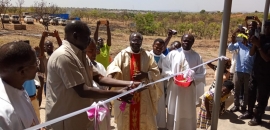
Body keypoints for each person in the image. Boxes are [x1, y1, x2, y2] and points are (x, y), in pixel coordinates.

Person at [45, 21, 140, 130]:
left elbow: (99, 78)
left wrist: (131, 83)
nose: (89, 40)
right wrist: (117, 94)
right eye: (87, 37)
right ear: (75, 36)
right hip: (65, 121)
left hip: (80, 118)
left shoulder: (81, 55)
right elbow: (82, 90)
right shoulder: (64, 56)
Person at [107, 32, 163, 130]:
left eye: (138, 40)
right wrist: (109, 79)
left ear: (142, 42)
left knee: (145, 119)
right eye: (134, 40)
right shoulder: (122, 54)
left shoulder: (147, 55)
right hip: (126, 93)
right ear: (129, 41)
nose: (136, 43)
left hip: (144, 94)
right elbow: (113, 67)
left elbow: (156, 71)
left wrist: (145, 74)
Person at [162, 34, 206, 130]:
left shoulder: (197, 56)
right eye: (185, 40)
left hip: (188, 89)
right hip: (174, 88)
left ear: (193, 42)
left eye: (189, 41)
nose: (186, 42)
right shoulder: (173, 54)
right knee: (174, 107)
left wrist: (193, 76)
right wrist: (172, 75)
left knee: (187, 110)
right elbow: (165, 67)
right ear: (181, 40)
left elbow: (202, 73)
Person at [0, 41, 39, 129]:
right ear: (23, 72)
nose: (38, 67)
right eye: (35, 63)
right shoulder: (3, 113)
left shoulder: (19, 89)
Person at [248, 20, 270, 126]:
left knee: (262, 96)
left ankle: (258, 117)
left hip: (266, 74)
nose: (266, 29)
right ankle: (249, 112)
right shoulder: (261, 38)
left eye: (268, 27)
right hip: (255, 71)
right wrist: (254, 44)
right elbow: (251, 53)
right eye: (265, 27)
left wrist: (259, 46)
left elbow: (266, 58)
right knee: (251, 92)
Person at [228, 33, 255, 112]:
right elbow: (230, 48)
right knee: (237, 89)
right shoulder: (239, 44)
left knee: (247, 91)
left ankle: (244, 106)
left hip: (248, 72)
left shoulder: (253, 47)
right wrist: (234, 36)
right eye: (248, 37)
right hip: (238, 70)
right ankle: (236, 105)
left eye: (251, 37)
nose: (249, 39)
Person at [38, 30, 62, 104]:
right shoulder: (44, 56)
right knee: (49, 100)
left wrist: (57, 36)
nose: (49, 46)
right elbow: (40, 46)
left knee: (58, 99)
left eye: (50, 45)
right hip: (47, 82)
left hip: (57, 81)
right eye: (47, 45)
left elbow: (62, 46)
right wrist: (43, 36)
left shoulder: (56, 54)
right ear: (44, 47)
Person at [149, 38, 166, 129]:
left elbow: (167, 71)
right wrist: (154, 72)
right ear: (153, 45)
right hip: (149, 83)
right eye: (157, 46)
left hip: (160, 84)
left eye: (161, 47)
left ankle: (160, 125)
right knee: (150, 103)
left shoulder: (165, 58)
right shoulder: (147, 56)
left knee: (159, 104)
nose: (159, 49)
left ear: (164, 48)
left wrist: (161, 71)